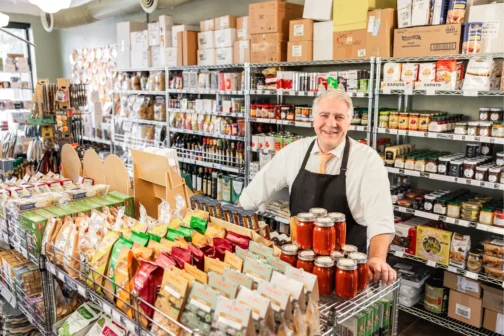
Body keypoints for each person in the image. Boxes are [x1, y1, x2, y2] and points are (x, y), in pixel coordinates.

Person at [239, 89, 397, 285]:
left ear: (349, 122)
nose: (331, 124)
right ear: (313, 119)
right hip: (299, 264)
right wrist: (234, 219)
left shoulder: (366, 159)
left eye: (339, 117)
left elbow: (380, 216)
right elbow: (259, 186)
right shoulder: (295, 152)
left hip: (346, 269)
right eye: (324, 115)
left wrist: (377, 259)